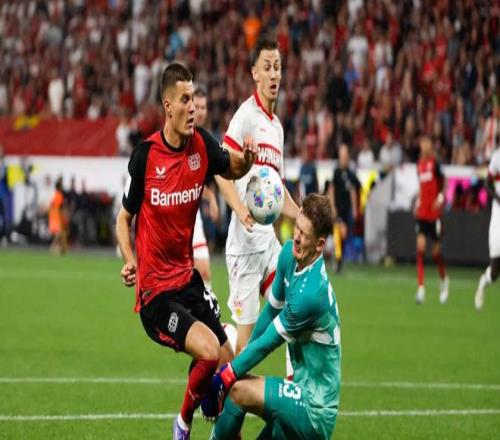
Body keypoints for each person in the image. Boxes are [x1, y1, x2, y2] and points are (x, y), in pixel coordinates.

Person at [115, 62, 257, 440]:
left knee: (229, 369)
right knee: (208, 352)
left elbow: (232, 168)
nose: (192, 106)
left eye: (193, 98)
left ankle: (218, 413)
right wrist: (130, 261)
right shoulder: (145, 157)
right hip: (156, 294)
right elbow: (123, 219)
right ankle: (182, 425)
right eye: (184, 99)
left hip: (187, 282)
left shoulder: (202, 145)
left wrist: (247, 159)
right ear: (168, 106)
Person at [203, 193, 340, 440]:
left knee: (237, 390)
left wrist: (226, 375)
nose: (296, 237)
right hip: (298, 392)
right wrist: (240, 361)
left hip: (313, 411)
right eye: (297, 227)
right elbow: (270, 311)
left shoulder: (312, 293)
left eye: (304, 235)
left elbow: (269, 342)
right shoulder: (288, 254)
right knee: (237, 384)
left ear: (320, 245)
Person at [214, 37, 299, 357]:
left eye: (277, 67)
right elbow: (220, 169)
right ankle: (223, 336)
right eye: (267, 67)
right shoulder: (246, 116)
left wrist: (302, 215)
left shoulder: (277, 128)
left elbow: (278, 190)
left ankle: (296, 383)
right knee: (243, 352)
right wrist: (239, 208)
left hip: (268, 244)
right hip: (245, 248)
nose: (274, 74)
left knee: (295, 311)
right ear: (255, 74)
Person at [414, 135, 449, 304]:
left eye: (426, 143)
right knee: (420, 249)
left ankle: (444, 280)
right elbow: (421, 187)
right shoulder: (419, 165)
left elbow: (445, 181)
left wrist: (441, 197)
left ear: (430, 145)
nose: (424, 146)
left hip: (434, 214)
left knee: (435, 254)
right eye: (422, 143)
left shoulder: (435, 163)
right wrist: (418, 201)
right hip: (422, 213)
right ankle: (421, 288)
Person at [192, 86, 219, 288]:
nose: (200, 112)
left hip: (193, 213)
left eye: (204, 107)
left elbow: (213, 175)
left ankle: (204, 306)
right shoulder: (182, 137)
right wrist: (210, 198)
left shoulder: (205, 140)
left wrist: (212, 197)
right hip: (176, 212)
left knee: (203, 271)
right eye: (197, 107)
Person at [474, 145, 500, 309]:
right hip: (498, 217)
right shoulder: (497, 157)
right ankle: (483, 282)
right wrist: (499, 199)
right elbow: (487, 184)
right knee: (495, 272)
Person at [328, 144, 359, 273]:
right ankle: (337, 259)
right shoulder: (336, 172)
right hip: (338, 208)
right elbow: (331, 189)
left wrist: (355, 208)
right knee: (340, 232)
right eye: (342, 155)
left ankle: (338, 259)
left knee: (344, 236)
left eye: (345, 155)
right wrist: (332, 205)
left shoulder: (350, 173)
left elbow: (353, 191)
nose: (344, 158)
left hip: (347, 209)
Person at [48, 176, 68, 254]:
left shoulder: (55, 194)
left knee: (59, 232)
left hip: (54, 214)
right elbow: (60, 206)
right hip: (56, 215)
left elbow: (52, 204)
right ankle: (53, 247)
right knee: (59, 232)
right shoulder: (59, 194)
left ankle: (60, 247)